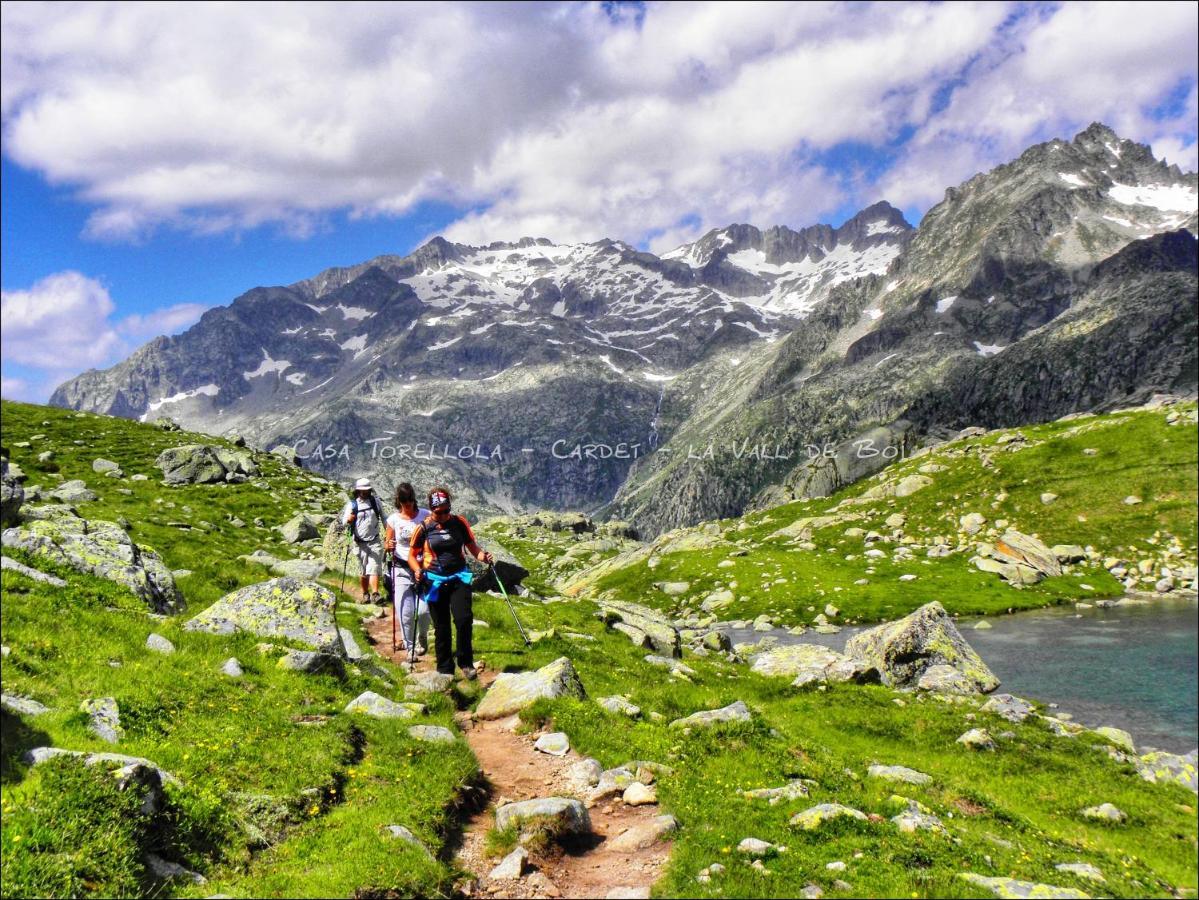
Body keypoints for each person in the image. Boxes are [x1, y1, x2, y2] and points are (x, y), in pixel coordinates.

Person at [407, 486, 493, 679]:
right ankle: (445, 668)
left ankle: (466, 663)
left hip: (459, 577)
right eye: (439, 512)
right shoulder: (423, 528)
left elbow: (472, 547)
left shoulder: (459, 523)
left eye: (447, 510)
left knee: (464, 619)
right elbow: (411, 556)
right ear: (431, 510)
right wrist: (417, 570)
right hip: (434, 581)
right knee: (442, 626)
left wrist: (483, 557)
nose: (444, 515)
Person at [384, 482, 430, 655]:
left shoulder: (426, 515)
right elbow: (387, 543)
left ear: (413, 499)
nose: (409, 506)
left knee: (425, 611)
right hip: (401, 568)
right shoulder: (393, 520)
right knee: (406, 611)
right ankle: (409, 647)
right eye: (405, 503)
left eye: (410, 501)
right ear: (400, 502)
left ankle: (422, 636)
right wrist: (388, 546)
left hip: (423, 569)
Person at [341, 477, 384, 604]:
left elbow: (384, 517)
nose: (365, 493)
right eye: (362, 490)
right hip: (359, 543)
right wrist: (348, 520)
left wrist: (388, 533)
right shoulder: (352, 505)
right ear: (358, 491)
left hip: (374, 540)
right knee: (364, 570)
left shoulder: (376, 502)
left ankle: (375, 594)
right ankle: (365, 594)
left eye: (367, 490)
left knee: (374, 567)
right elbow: (344, 522)